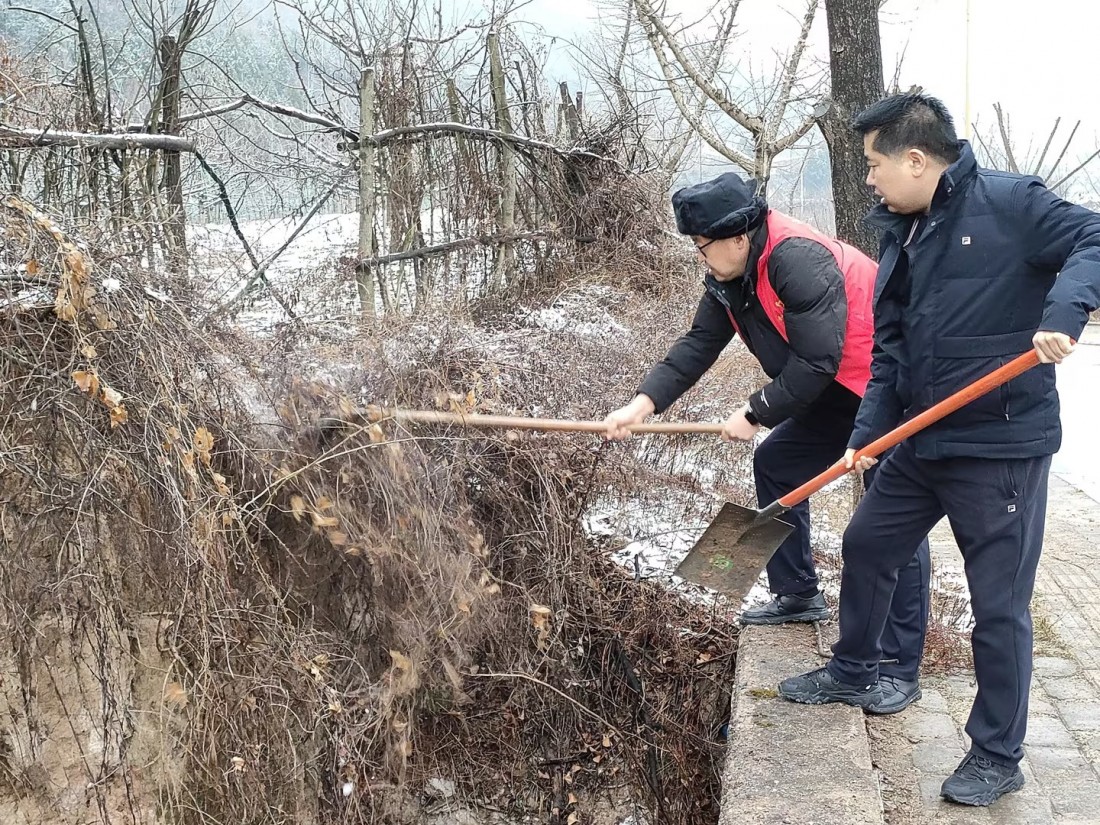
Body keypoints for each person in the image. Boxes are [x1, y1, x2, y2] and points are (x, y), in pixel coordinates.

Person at [778, 92, 1100, 807]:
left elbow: (1095, 237)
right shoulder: (904, 231)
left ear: (917, 159)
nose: (868, 178)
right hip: (924, 436)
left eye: (874, 164)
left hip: (1000, 445)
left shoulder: (1012, 204)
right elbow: (890, 351)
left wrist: (1063, 312)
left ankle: (997, 753)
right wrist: (865, 437)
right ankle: (854, 669)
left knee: (998, 606)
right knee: (867, 543)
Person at [603, 171, 931, 714]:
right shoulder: (730, 275)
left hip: (887, 388)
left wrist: (755, 411)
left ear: (737, 237)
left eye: (702, 246)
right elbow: (698, 343)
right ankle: (798, 592)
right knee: (777, 461)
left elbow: (817, 359)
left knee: (893, 515)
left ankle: (898, 667)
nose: (700, 256)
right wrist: (643, 404)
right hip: (835, 391)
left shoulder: (795, 258)